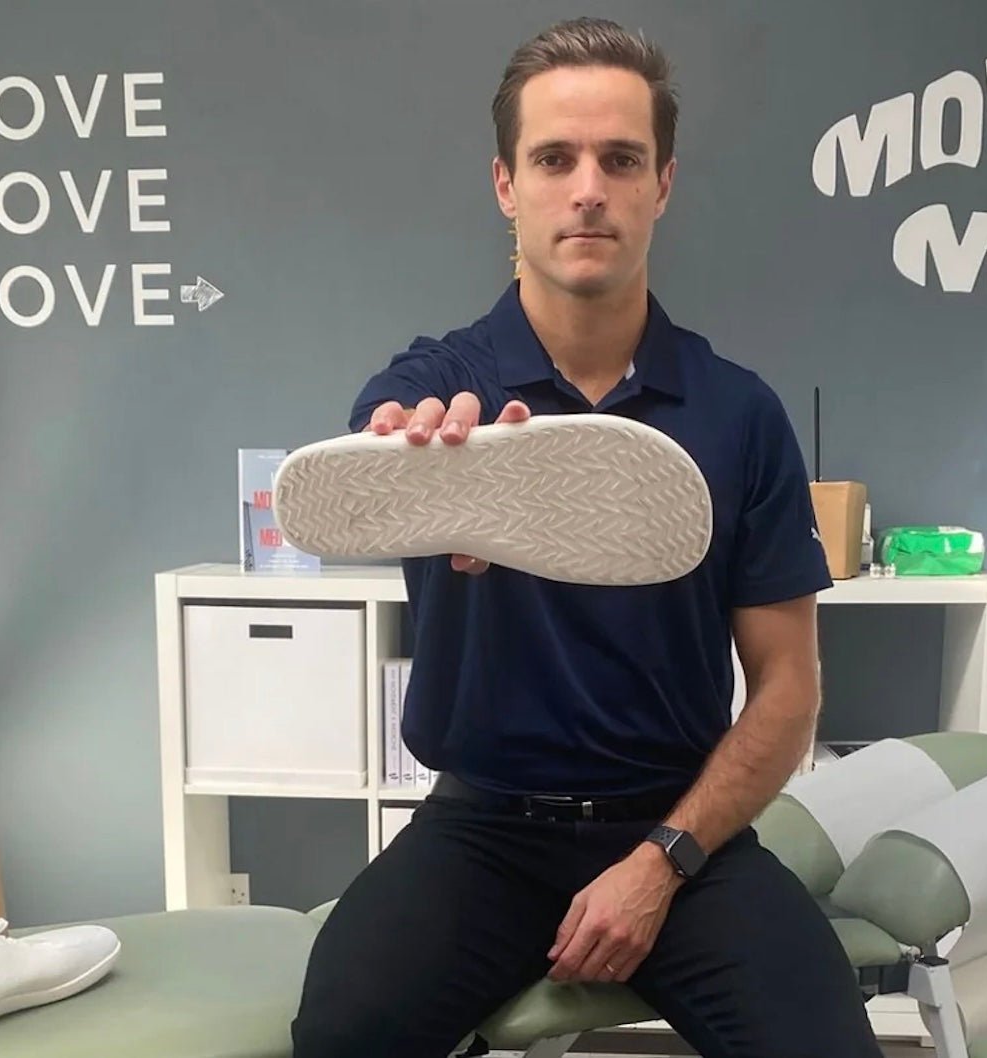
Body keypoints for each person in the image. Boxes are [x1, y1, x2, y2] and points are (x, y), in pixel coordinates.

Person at [290, 17, 885, 1058]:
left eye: (621, 159)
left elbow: (788, 689)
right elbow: (371, 455)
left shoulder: (739, 414)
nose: (588, 189)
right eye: (554, 158)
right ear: (505, 186)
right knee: (340, 1036)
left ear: (663, 184)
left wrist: (660, 860)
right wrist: (433, 483)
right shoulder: (435, 387)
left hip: (681, 831)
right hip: (479, 831)